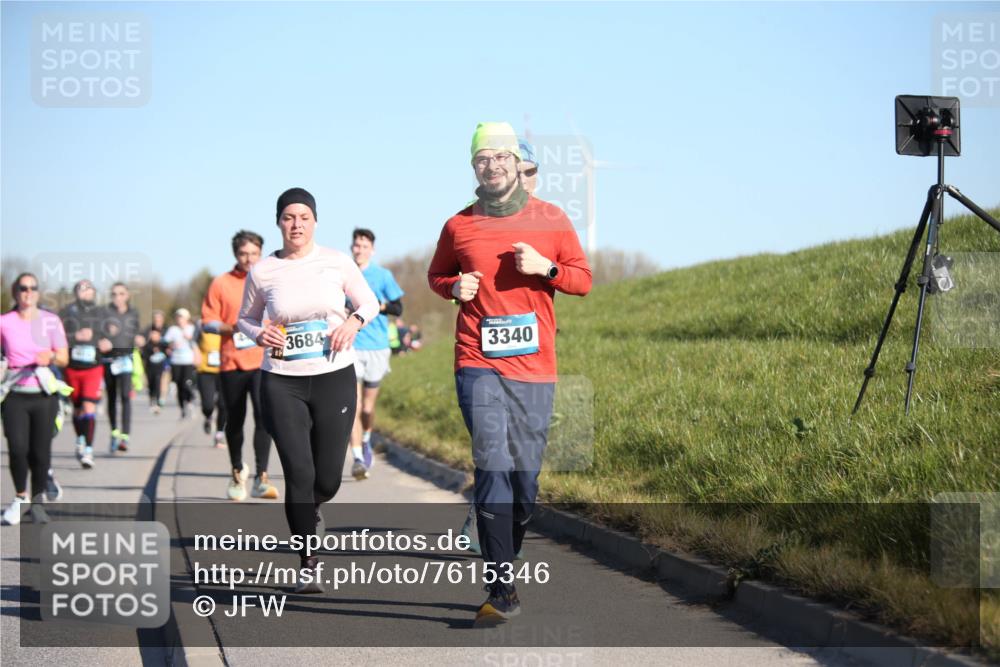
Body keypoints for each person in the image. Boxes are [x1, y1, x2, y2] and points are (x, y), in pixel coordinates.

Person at [428, 122, 591, 626]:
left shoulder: (552, 218)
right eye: (482, 159)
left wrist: (547, 268)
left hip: (534, 368)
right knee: (492, 465)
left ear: (518, 164)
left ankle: (506, 547)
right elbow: (436, 275)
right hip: (476, 362)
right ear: (473, 167)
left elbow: (583, 280)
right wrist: (453, 287)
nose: (492, 165)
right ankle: (502, 590)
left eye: (501, 157)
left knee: (524, 482)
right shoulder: (458, 226)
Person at [238, 187, 378, 593]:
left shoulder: (336, 262)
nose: (296, 224)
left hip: (333, 375)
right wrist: (259, 333)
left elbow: (368, 303)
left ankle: (313, 510)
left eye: (303, 217)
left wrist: (352, 323)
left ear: (315, 221)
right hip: (282, 380)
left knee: (327, 481)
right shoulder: (263, 271)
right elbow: (245, 319)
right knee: (299, 473)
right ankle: (308, 562)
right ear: (278, 222)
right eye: (288, 217)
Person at [202, 230, 278, 502]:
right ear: (235, 254)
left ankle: (262, 477)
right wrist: (231, 327)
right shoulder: (221, 283)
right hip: (232, 362)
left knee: (264, 419)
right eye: (244, 254)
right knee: (234, 420)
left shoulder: (270, 280)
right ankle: (236, 472)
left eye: (254, 254)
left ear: (261, 253)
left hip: (263, 361)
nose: (249, 259)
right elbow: (207, 322)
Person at [1, 273, 69, 525]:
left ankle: (38, 504)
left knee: (40, 453)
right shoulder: (4, 322)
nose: (28, 292)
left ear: (38, 292)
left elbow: (64, 358)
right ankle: (20, 497)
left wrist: (50, 357)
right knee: (18, 449)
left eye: (32, 288)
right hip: (14, 395)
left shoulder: (51, 321)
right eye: (23, 288)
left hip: (43, 395)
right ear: (15, 292)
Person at [347, 227, 404, 481]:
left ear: (372, 250)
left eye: (364, 246)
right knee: (355, 405)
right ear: (352, 247)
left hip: (377, 347)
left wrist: (377, 306)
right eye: (356, 245)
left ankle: (366, 439)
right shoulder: (344, 273)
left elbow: (398, 308)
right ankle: (358, 458)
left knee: (368, 408)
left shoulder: (382, 275)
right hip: (351, 346)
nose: (359, 250)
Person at [59, 279, 105, 469]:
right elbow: (56, 336)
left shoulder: (101, 313)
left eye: (88, 289)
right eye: (81, 289)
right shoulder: (65, 312)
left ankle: (88, 450)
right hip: (72, 367)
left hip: (93, 366)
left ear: (93, 292)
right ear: (75, 292)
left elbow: (110, 335)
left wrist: (103, 341)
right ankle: (80, 438)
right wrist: (74, 337)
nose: (85, 292)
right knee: (77, 409)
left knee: (88, 406)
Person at [101, 282, 141, 454]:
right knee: (111, 397)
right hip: (109, 360)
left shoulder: (134, 313)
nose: (118, 297)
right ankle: (114, 432)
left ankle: (125, 436)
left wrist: (140, 339)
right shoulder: (105, 312)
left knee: (125, 396)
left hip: (126, 360)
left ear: (127, 295)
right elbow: (98, 333)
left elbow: (137, 333)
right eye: (114, 294)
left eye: (121, 294)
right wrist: (103, 339)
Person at [194, 321, 226, 447]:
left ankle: (219, 434)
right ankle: (208, 417)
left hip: (225, 369)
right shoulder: (201, 324)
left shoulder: (230, 322)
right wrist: (195, 351)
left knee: (223, 404)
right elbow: (193, 341)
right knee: (208, 405)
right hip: (205, 370)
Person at [164, 308, 198, 419]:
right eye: (178, 317)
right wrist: (171, 345)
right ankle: (182, 407)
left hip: (188, 360)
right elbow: (165, 342)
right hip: (176, 360)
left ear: (187, 318)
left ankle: (190, 401)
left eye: (182, 317)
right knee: (179, 384)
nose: (180, 319)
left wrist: (190, 338)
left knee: (186, 384)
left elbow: (198, 342)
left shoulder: (192, 329)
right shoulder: (173, 329)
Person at [142, 310, 169, 414]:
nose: (158, 321)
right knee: (151, 382)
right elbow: (142, 343)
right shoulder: (148, 330)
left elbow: (170, 344)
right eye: (156, 319)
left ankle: (160, 400)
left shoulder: (167, 330)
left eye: (159, 319)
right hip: (150, 362)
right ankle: (152, 398)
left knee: (161, 380)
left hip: (164, 362)